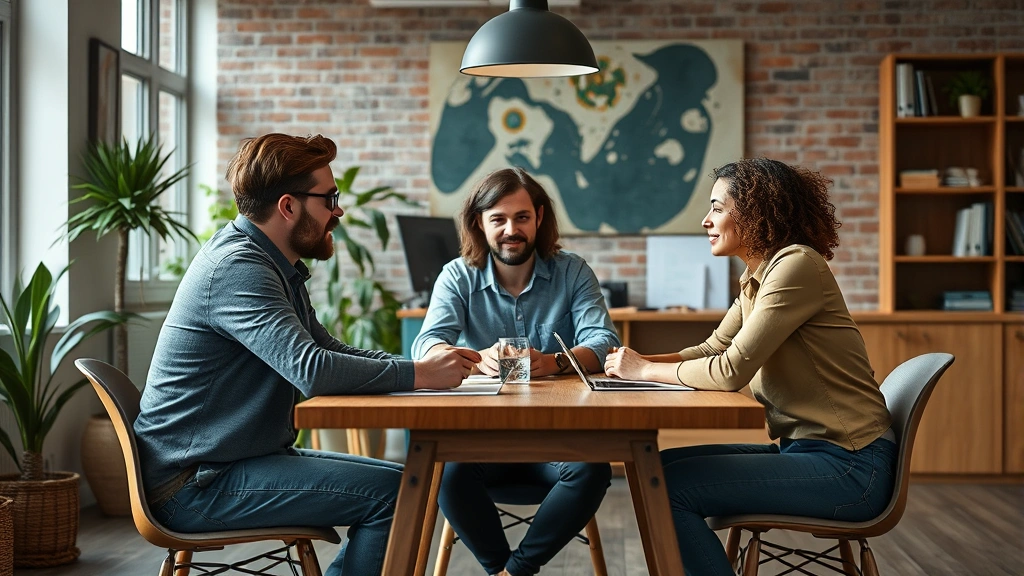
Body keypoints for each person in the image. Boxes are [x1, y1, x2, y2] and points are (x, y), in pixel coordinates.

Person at [134, 133, 481, 576]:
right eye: (329, 197)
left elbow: (326, 348)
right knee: (396, 495)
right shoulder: (238, 269)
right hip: (196, 484)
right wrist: (421, 374)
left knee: (406, 484)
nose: (338, 211)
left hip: (231, 461)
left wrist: (422, 368)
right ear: (288, 206)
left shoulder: (271, 264)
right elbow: (312, 370)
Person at [604, 158, 897, 576]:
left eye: (717, 208)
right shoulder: (757, 276)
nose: (706, 220)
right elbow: (713, 348)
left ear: (756, 210)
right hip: (811, 452)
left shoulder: (796, 266)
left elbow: (728, 371)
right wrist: (633, 365)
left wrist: (644, 372)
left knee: (665, 488)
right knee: (657, 469)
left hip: (852, 468)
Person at [412, 167, 618, 576]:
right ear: (479, 224)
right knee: (448, 479)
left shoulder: (572, 271)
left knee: (593, 470)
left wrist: (555, 362)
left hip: (556, 443)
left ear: (539, 218)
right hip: (482, 442)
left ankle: (514, 571)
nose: (511, 229)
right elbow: (426, 342)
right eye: (498, 219)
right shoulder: (457, 276)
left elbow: (605, 341)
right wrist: (470, 358)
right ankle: (505, 571)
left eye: (521, 217)